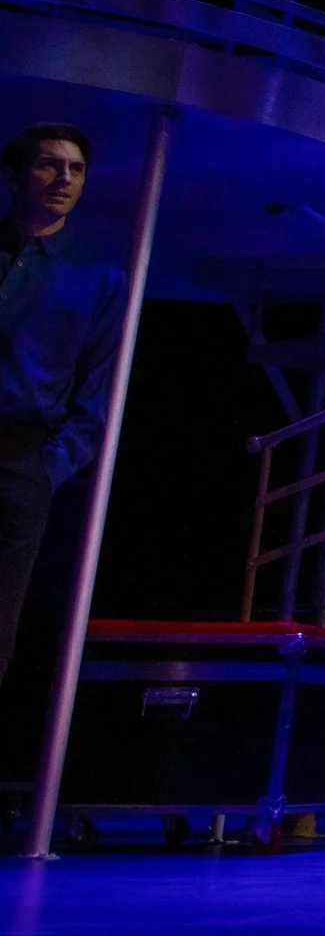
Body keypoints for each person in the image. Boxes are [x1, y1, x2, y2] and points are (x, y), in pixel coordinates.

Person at [0, 123, 127, 691]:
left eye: (76, 169)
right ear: (15, 177)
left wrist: (48, 469)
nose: (64, 179)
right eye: (49, 165)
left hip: (21, 457)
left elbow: (100, 384)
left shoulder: (99, 273)